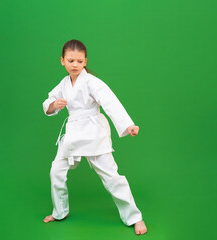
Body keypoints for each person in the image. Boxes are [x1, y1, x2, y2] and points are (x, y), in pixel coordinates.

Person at [42, 39, 147, 235]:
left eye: (80, 61)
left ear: (85, 62)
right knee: (56, 170)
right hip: (73, 134)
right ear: (62, 60)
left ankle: (135, 217)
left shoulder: (91, 81)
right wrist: (54, 105)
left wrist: (128, 124)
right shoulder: (64, 84)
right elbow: (49, 100)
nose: (75, 65)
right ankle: (60, 212)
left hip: (93, 133)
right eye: (71, 60)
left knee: (112, 176)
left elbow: (110, 102)